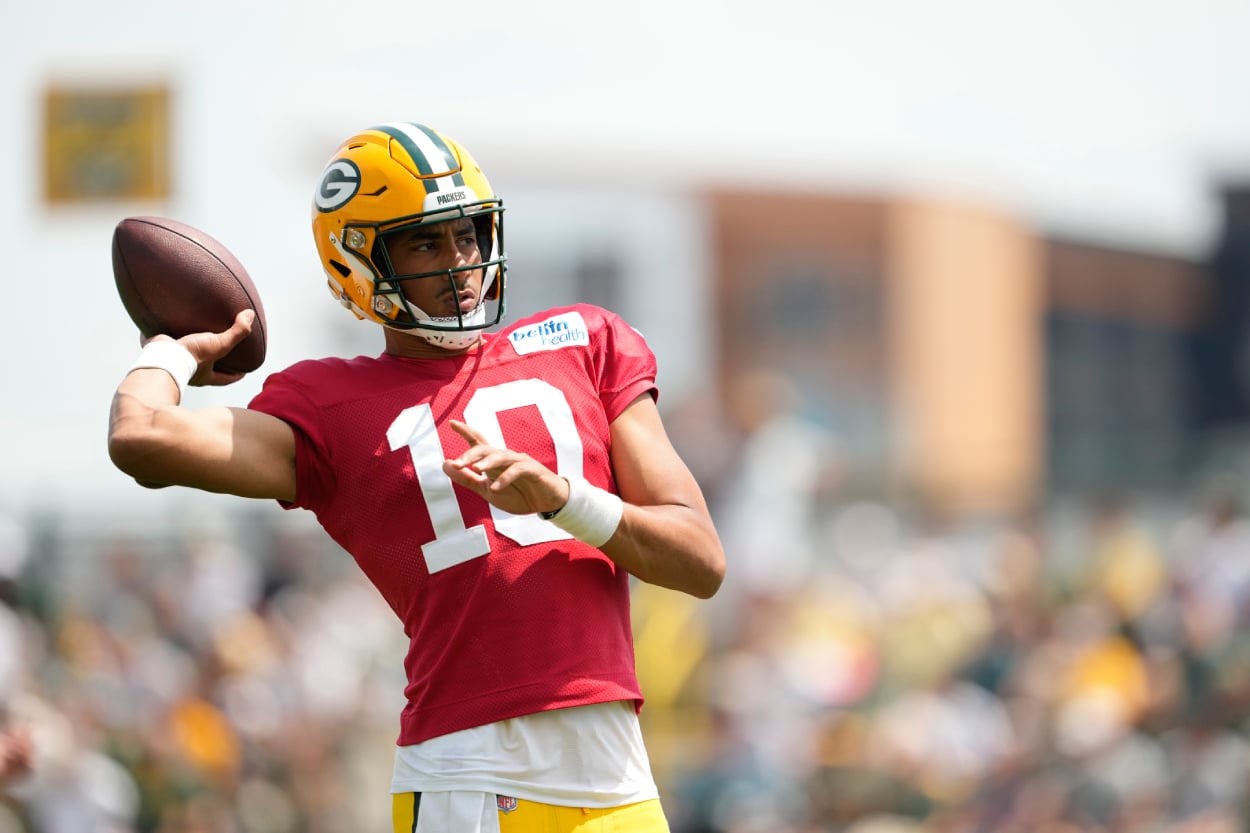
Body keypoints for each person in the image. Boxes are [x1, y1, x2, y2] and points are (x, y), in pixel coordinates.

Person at [107, 121, 726, 833]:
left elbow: (701, 559)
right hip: (470, 774)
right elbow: (140, 435)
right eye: (426, 241)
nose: (460, 260)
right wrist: (169, 350)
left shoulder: (586, 341)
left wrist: (563, 499)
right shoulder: (330, 403)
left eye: (466, 234)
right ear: (358, 264)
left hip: (617, 773)